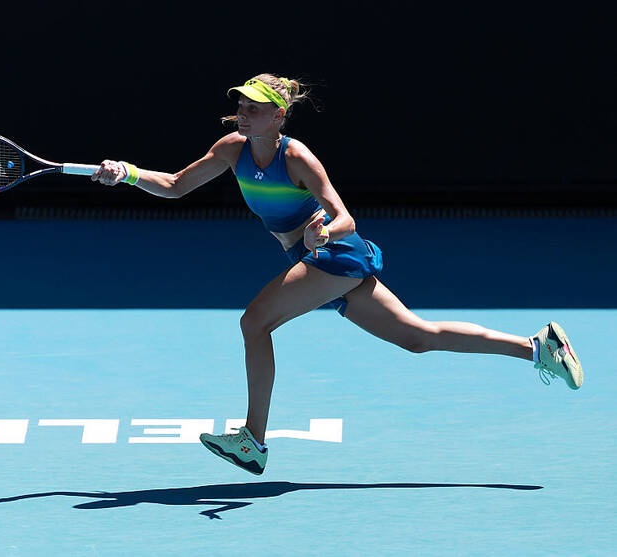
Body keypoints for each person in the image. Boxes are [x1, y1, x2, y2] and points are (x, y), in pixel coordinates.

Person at [91, 73, 584, 475]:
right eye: (240, 105)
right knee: (417, 337)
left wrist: (323, 233)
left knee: (254, 322)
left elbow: (344, 215)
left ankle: (252, 441)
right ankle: (538, 348)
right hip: (312, 258)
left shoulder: (296, 157)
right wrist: (128, 173)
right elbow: (176, 185)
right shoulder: (231, 148)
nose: (243, 112)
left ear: (278, 116)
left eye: (254, 107)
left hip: (333, 254)